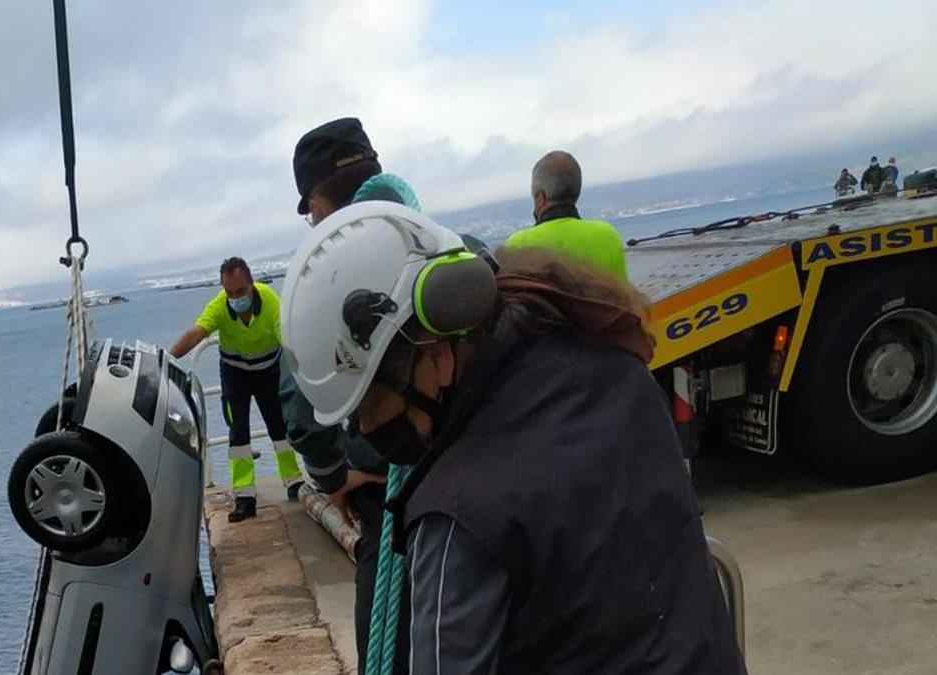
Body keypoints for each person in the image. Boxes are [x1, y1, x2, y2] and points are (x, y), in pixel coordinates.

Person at [280, 202, 747, 673]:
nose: (363, 430)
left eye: (367, 406)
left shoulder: (457, 515)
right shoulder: (619, 372)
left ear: (436, 357)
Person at [286, 117, 420, 673]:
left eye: (309, 204)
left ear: (320, 198)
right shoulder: (446, 248)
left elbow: (301, 411)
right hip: (478, 513)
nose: (311, 218)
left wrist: (335, 476)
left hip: (389, 518)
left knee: (389, 647)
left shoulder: (320, 286)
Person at [169, 257, 303, 522]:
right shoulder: (219, 306)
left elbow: (285, 336)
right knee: (238, 432)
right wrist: (168, 361)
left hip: (268, 370)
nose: (235, 297)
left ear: (252, 284)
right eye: (229, 292)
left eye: (240, 291)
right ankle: (244, 496)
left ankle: (294, 481)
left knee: (279, 426)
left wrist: (304, 365)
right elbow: (197, 333)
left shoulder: (270, 300)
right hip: (235, 373)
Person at [505, 150, 629, 281]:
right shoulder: (607, 235)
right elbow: (626, 295)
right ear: (577, 192)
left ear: (540, 198)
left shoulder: (518, 245)